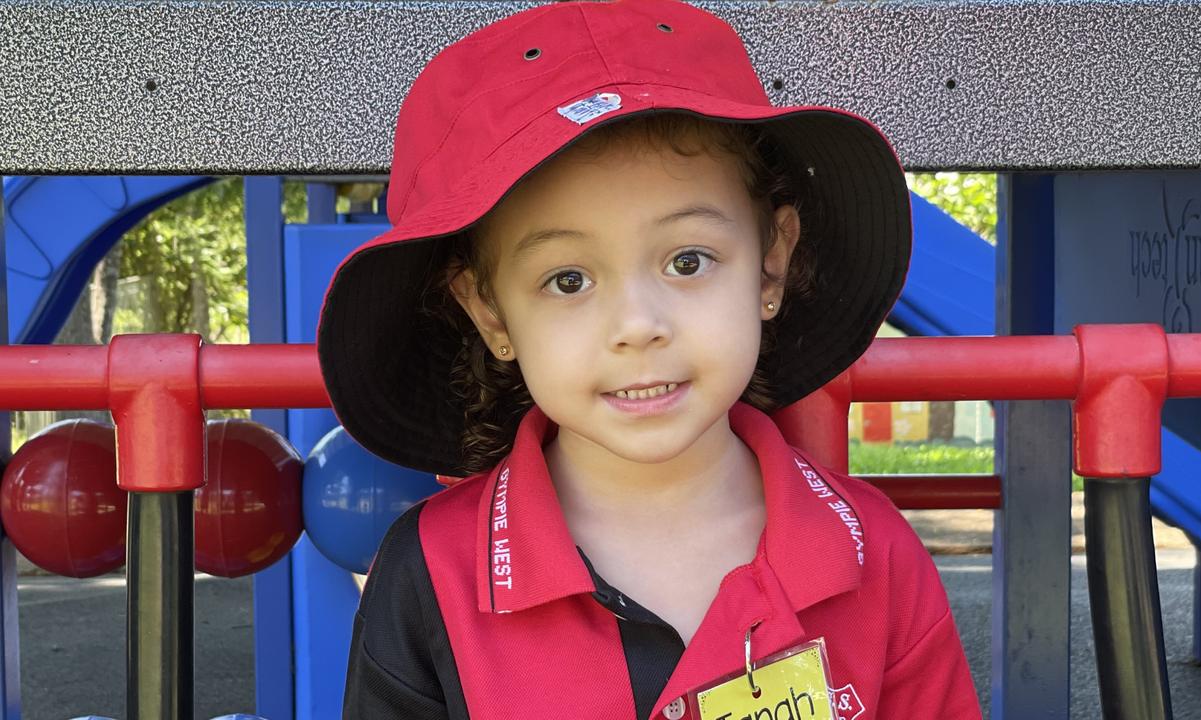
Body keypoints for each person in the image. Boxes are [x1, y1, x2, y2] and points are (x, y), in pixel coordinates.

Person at [316, 0, 982, 717]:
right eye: (567, 280)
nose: (638, 326)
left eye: (688, 261)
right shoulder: (432, 573)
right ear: (490, 313)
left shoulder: (873, 553)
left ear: (771, 263)